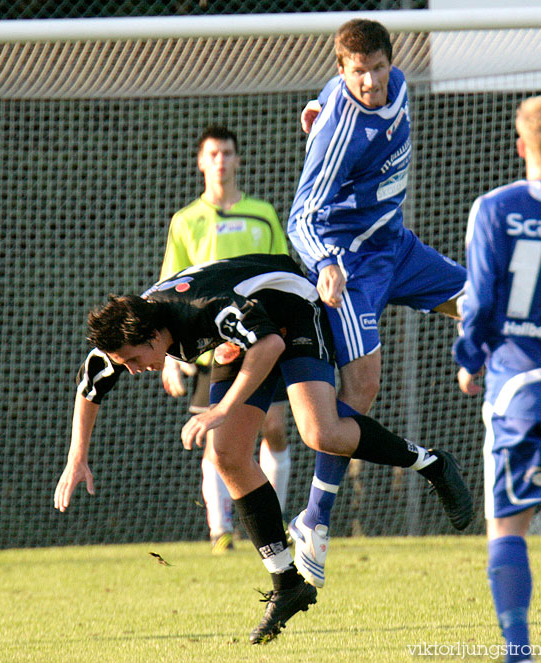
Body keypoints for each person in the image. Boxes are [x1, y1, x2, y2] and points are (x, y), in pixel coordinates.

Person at [54, 253, 473, 644]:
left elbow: (270, 345)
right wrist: (77, 458)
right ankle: (287, 584)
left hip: (292, 310)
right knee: (226, 455)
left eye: (132, 359)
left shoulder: (202, 309)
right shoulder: (132, 328)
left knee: (320, 432)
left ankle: (432, 464)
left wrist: (222, 408)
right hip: (247, 333)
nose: (132, 369)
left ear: (154, 335)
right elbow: (90, 386)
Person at [286, 17, 470, 588]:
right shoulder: (342, 126)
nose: (369, 81)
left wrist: (312, 110)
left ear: (393, 63)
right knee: (362, 388)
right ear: (343, 73)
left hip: (395, 244)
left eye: (377, 68)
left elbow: (328, 102)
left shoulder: (400, 86)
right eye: (357, 72)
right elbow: (300, 217)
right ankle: (315, 520)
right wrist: (325, 264)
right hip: (352, 264)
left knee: (482, 303)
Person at [453, 93, 541, 663]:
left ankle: (519, 653)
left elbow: (478, 303)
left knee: (508, 525)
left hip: (518, 391)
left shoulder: (496, 208)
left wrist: (470, 359)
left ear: (521, 146)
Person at [160, 126, 291, 553]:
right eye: (212, 153)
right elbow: (169, 289)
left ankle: (275, 518)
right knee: (216, 438)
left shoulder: (262, 212)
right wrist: (169, 358)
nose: (220, 160)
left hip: (261, 337)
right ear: (200, 162)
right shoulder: (185, 221)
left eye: (227, 153)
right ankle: (221, 531)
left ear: (238, 160)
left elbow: (282, 272)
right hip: (212, 347)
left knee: (274, 429)